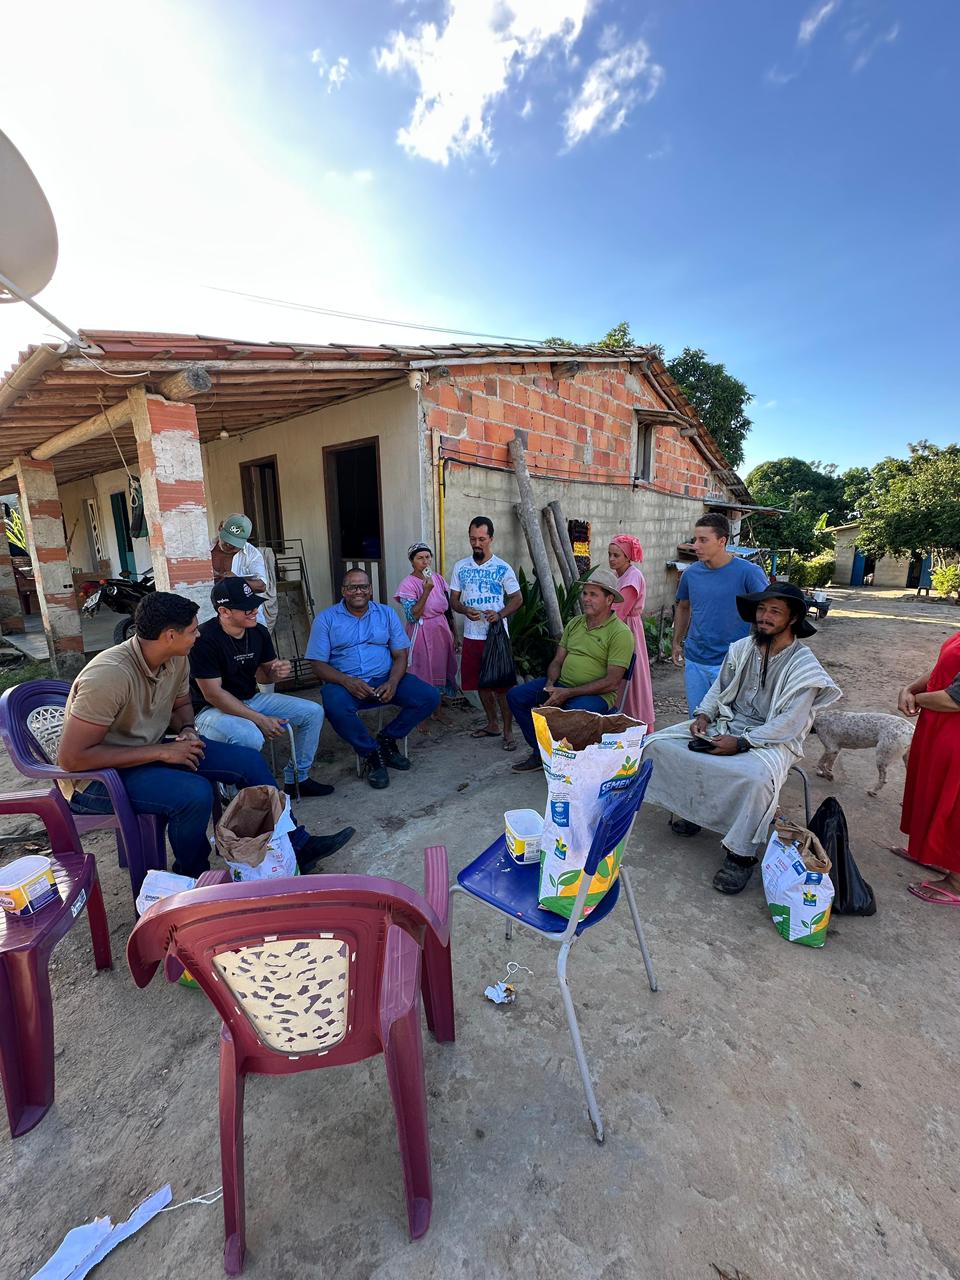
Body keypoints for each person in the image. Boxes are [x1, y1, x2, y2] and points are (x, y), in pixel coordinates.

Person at [59, 592, 355, 877]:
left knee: (248, 761)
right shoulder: (109, 675)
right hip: (98, 780)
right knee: (194, 793)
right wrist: (162, 752)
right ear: (170, 635)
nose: (198, 635)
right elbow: (73, 759)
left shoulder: (176, 657)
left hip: (148, 752)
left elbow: (181, 704)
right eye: (192, 630)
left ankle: (296, 843)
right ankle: (193, 876)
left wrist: (187, 729)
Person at [643, 583, 841, 894]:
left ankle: (741, 855)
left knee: (754, 780)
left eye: (774, 611)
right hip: (727, 723)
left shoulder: (805, 667)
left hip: (774, 740)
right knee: (658, 746)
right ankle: (694, 812)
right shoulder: (741, 648)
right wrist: (703, 715)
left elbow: (790, 724)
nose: (764, 616)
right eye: (761, 609)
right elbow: (718, 690)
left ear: (792, 619)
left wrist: (743, 743)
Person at [190, 578, 331, 797]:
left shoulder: (258, 632)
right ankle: (234, 794)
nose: (254, 611)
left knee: (313, 712)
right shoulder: (204, 638)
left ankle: (297, 779)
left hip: (250, 699)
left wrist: (276, 672)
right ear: (224, 611)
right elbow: (213, 694)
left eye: (254, 604)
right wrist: (260, 719)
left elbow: (264, 677)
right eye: (246, 608)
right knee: (250, 736)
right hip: (210, 710)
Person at [307, 568, 440, 788]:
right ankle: (371, 753)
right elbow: (317, 664)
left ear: (370, 590)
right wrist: (346, 681)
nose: (358, 591)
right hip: (346, 684)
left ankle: (387, 739)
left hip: (384, 679)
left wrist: (393, 682)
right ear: (343, 591)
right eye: (352, 587)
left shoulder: (386, 614)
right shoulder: (326, 619)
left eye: (363, 586)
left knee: (429, 696)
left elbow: (400, 655)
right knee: (334, 706)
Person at [507, 567, 635, 772]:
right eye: (585, 593)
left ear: (609, 599)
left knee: (569, 712)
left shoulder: (620, 633)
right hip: (561, 685)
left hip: (597, 695)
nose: (586, 599)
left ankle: (566, 761)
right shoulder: (575, 623)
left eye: (593, 595)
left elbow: (612, 682)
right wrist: (550, 686)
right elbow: (558, 660)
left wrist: (567, 693)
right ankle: (542, 752)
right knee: (516, 696)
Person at [671, 513, 769, 715]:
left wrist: (764, 651)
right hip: (696, 659)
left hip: (733, 662)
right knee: (697, 717)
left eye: (703, 540)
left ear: (722, 541)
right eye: (695, 540)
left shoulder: (748, 573)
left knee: (729, 719)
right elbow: (683, 606)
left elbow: (769, 611)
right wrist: (677, 641)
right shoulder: (691, 573)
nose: (695, 546)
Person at [896, 631, 960, 904]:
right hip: (939, 727)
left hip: (954, 730)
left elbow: (955, 699)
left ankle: (957, 882)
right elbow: (943, 667)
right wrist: (910, 689)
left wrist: (917, 699)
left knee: (954, 806)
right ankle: (935, 854)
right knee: (930, 791)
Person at [449, 516, 523, 751]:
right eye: (473, 539)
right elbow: (453, 600)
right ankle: (492, 724)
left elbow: (517, 598)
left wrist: (499, 615)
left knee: (502, 687)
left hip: (496, 637)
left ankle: (508, 731)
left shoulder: (502, 567)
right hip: (472, 636)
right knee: (481, 684)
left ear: (491, 538)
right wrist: (464, 610)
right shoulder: (461, 567)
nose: (477, 544)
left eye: (481, 539)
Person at [393, 542, 459, 724]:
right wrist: (426, 591)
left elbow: (447, 609)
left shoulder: (438, 578)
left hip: (441, 630)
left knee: (439, 667)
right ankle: (420, 717)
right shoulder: (408, 584)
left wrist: (455, 634)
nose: (425, 561)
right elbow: (412, 615)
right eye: (420, 558)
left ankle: (437, 712)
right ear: (412, 561)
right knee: (421, 671)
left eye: (428, 557)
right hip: (421, 632)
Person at [607, 534, 655, 729]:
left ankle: (634, 721)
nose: (611, 559)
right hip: (623, 626)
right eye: (610, 554)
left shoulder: (632, 577)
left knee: (630, 677)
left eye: (616, 555)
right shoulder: (621, 575)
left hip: (626, 629)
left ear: (627, 557)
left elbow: (619, 611)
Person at [211, 513, 276, 629]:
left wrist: (236, 581)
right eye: (227, 539)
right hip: (214, 616)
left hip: (247, 618)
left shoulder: (252, 554)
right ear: (220, 527)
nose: (229, 545)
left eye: (234, 544)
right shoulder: (204, 550)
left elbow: (262, 586)